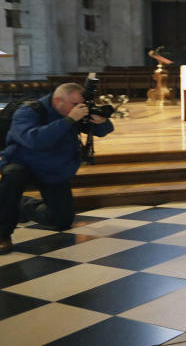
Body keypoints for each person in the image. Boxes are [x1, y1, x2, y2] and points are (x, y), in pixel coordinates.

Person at [0, 83, 114, 254]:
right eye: (74, 105)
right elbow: (35, 141)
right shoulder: (28, 111)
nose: (79, 109)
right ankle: (3, 234)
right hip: (24, 163)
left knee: (62, 220)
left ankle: (21, 205)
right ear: (57, 100)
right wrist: (69, 120)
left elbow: (103, 131)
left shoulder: (71, 112)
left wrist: (102, 122)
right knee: (12, 175)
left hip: (52, 168)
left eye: (81, 105)